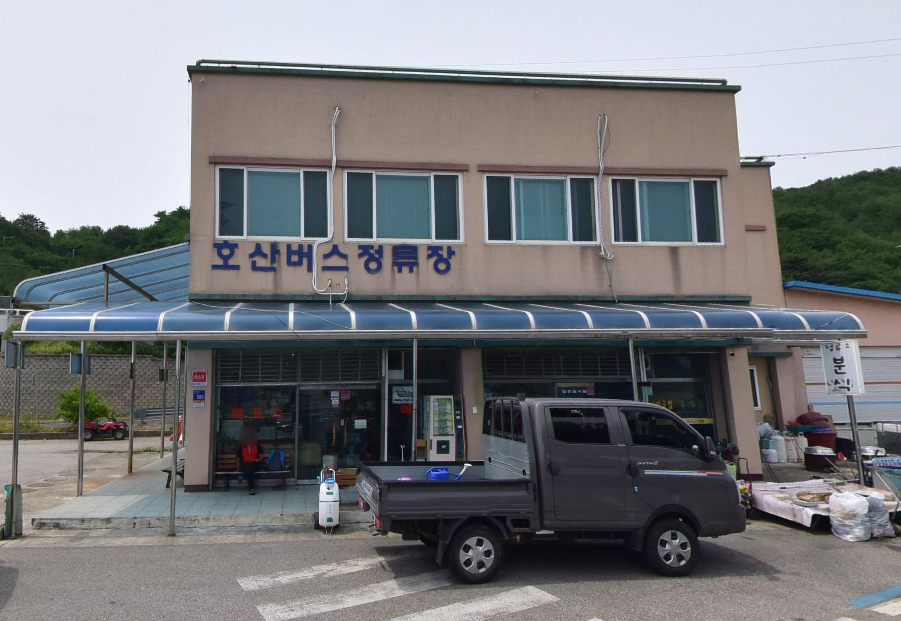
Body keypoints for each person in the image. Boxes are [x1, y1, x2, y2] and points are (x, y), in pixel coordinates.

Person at [236, 426, 262, 495]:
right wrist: (238, 468)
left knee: (251, 464)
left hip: (255, 464)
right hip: (245, 465)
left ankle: (242, 476)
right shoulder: (242, 447)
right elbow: (238, 459)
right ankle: (251, 489)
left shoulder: (257, 446)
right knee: (250, 471)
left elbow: (261, 456)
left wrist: (257, 460)